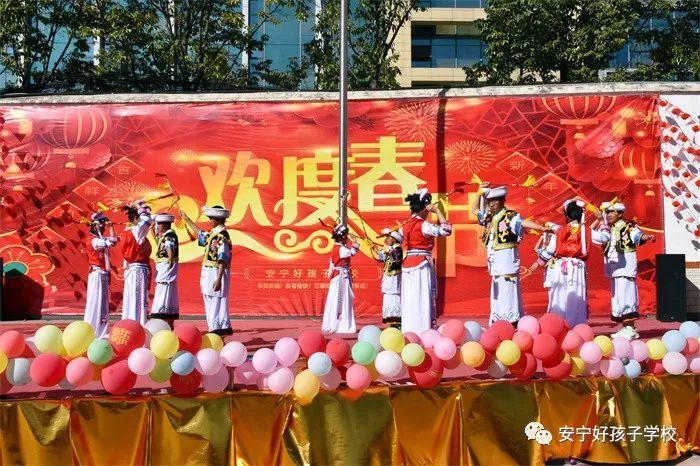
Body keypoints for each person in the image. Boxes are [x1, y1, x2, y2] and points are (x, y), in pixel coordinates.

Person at [471, 183, 548, 326]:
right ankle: (498, 320)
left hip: (506, 260)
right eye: (489, 201)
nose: (491, 204)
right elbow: (474, 209)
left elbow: (523, 223)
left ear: (502, 201)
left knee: (508, 289)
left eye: (494, 201)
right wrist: (479, 192)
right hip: (495, 262)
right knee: (498, 290)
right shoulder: (489, 217)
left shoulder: (509, 216)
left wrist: (541, 228)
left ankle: (511, 321)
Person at [535, 199, 610, 328]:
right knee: (576, 297)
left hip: (561, 268)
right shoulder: (587, 231)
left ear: (567, 216)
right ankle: (575, 327)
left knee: (559, 297)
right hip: (577, 268)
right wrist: (602, 221)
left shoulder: (559, 231)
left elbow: (549, 251)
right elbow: (605, 238)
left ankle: (557, 327)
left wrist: (537, 264)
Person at [593, 202, 655, 340]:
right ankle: (624, 327)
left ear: (620, 214)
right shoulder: (607, 228)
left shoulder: (627, 226)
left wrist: (647, 237)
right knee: (618, 299)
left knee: (627, 297)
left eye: (611, 212)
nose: (608, 215)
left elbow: (637, 235)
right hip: (614, 269)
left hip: (625, 268)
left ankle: (630, 328)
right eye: (607, 212)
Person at [400, 188, 452, 334]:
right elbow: (446, 230)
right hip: (421, 265)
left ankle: (409, 330)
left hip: (407, 264)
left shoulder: (404, 225)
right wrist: (437, 211)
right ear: (425, 209)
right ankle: (423, 330)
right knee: (422, 297)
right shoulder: (423, 225)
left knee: (410, 298)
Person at [181, 206, 233, 336]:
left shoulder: (222, 236)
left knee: (217, 304)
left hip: (216, 273)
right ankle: (213, 331)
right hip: (208, 274)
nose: (210, 221)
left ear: (218, 219)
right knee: (210, 304)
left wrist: (219, 279)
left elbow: (223, 259)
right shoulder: (212, 234)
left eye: (211, 218)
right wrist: (187, 219)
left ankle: (218, 334)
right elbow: (200, 233)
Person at [84, 212, 118, 338]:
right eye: (102, 227)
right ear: (96, 227)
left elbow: (113, 240)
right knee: (95, 302)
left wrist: (110, 227)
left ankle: (101, 331)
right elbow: (112, 241)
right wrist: (111, 227)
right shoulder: (94, 241)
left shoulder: (98, 239)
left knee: (102, 303)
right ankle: (91, 330)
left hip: (102, 274)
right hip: (97, 274)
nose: (104, 229)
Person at [120, 200, 153, 326]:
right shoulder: (136, 231)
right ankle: (137, 326)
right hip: (138, 270)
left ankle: (130, 324)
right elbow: (147, 221)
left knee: (132, 298)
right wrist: (142, 208)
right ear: (135, 218)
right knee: (137, 299)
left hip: (133, 270)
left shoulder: (129, 231)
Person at [322, 224, 359, 334]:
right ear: (342, 237)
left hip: (339, 276)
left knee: (337, 299)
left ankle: (334, 323)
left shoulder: (337, 247)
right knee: (342, 300)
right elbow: (352, 252)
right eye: (346, 236)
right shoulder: (341, 249)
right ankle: (341, 325)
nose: (347, 238)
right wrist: (355, 242)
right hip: (341, 277)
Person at [150, 213, 179, 329]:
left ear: (164, 225)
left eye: (158, 224)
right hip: (165, 271)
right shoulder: (166, 235)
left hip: (165, 271)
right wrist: (153, 232)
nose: (157, 227)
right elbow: (161, 244)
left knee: (162, 297)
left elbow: (169, 247)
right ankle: (169, 327)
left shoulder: (169, 236)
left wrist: (170, 261)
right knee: (169, 298)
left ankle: (160, 326)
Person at [375, 228, 404, 328]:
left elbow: (396, 260)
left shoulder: (397, 249)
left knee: (394, 298)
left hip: (394, 279)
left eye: (389, 237)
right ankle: (389, 320)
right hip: (388, 278)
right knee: (388, 297)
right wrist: (378, 251)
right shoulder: (390, 249)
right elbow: (383, 259)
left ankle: (396, 321)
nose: (386, 239)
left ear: (394, 239)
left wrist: (388, 253)